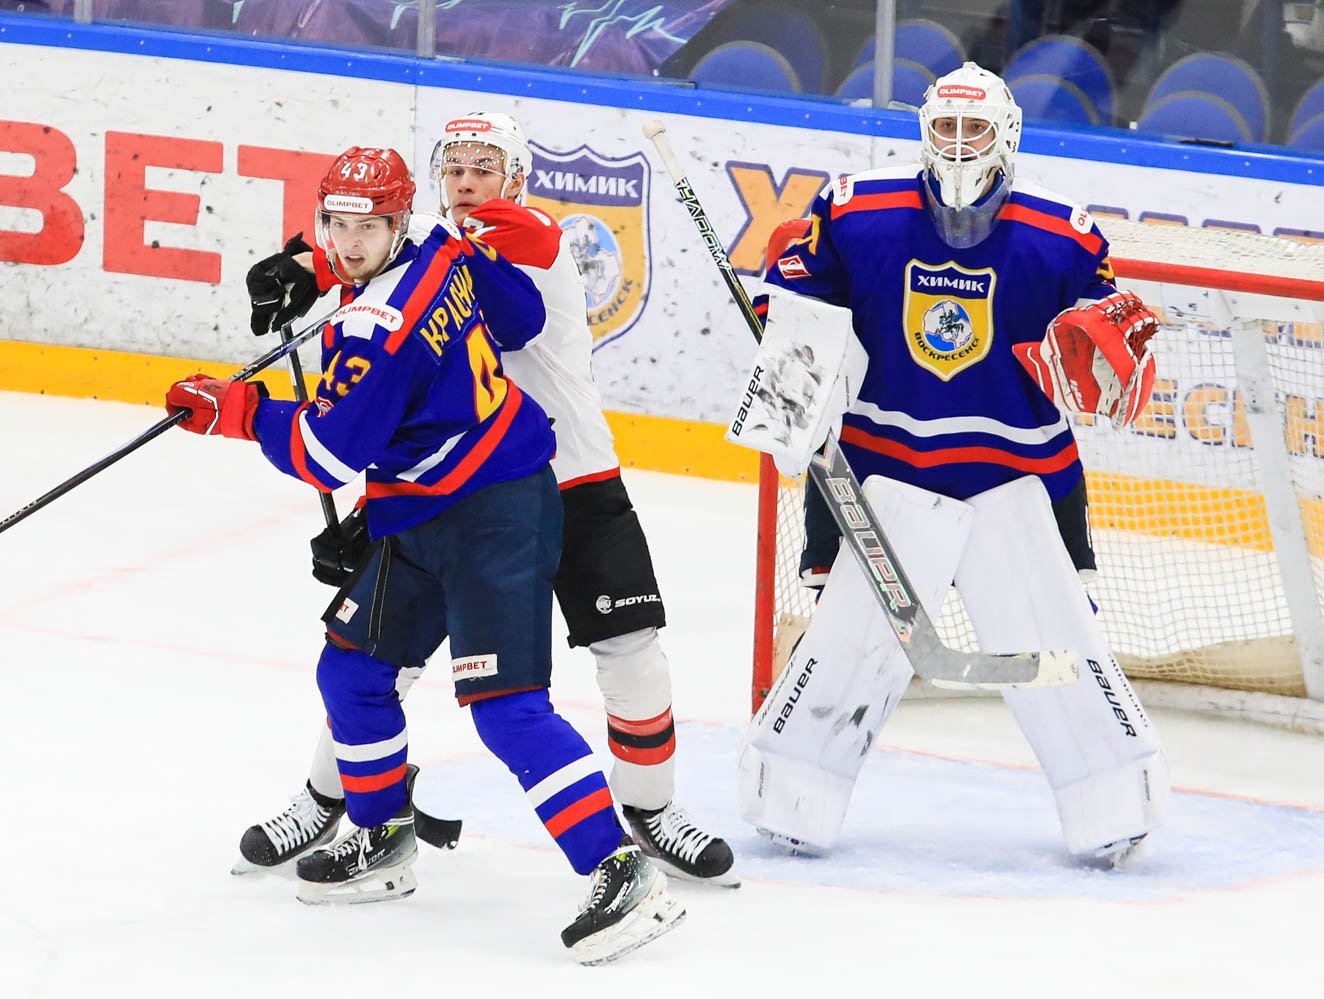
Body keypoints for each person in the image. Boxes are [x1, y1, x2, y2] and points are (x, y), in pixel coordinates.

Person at [164, 146, 683, 964]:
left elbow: (327, 453)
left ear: (396, 220)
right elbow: (518, 317)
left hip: (495, 510)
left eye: (368, 227)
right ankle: (382, 837)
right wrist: (325, 275)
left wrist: (238, 409)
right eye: (337, 224)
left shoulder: (380, 329)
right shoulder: (441, 240)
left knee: (506, 708)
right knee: (351, 672)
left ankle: (620, 869)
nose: (350, 242)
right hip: (423, 506)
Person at [237, 112, 737, 887]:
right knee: (376, 660)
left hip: (572, 475)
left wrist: (322, 263)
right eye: (456, 168)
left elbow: (456, 251)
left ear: (518, 179)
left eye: (485, 167)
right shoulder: (427, 245)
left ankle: (650, 809)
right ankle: (331, 797)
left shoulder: (529, 236)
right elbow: (393, 253)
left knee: (631, 649)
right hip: (460, 491)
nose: (468, 181)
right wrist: (309, 262)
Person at [735, 63, 1169, 867]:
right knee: (848, 642)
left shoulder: (1067, 235)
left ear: (1007, 135)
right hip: (885, 472)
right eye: (946, 127)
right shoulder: (856, 209)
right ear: (924, 131)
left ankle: (1113, 801)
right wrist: (786, 320)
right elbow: (797, 291)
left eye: (976, 129)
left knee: (1062, 645)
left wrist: (1104, 339)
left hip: (1020, 475)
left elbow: (1103, 329)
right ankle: (795, 792)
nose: (960, 145)